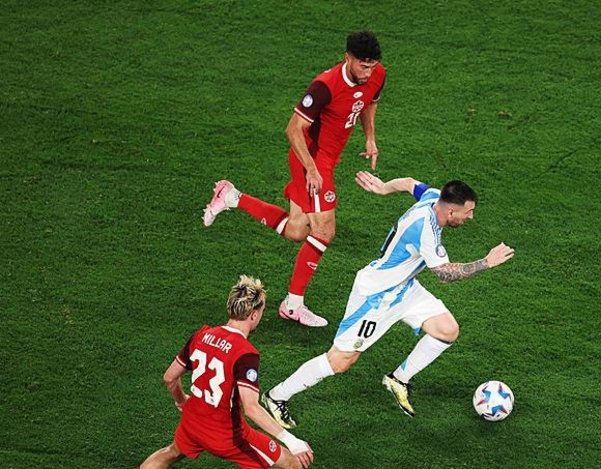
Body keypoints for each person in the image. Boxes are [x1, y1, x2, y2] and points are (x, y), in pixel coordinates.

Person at [259, 171, 515, 427]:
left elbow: (409, 183)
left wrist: (384, 188)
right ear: (451, 212)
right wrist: (486, 262)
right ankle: (276, 396)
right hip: (376, 296)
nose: (470, 217)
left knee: (446, 330)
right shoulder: (425, 229)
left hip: (404, 287)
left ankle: (398, 379)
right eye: (468, 212)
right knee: (340, 360)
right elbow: (445, 274)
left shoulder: (434, 196)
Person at [202, 31, 386, 328]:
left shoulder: (377, 75)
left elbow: (368, 103)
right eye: (363, 66)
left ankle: (232, 196)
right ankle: (293, 305)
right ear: (347, 58)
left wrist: (370, 138)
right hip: (311, 159)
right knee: (324, 231)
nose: (368, 73)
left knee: (298, 230)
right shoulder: (324, 86)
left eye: (372, 66)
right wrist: (311, 169)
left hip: (327, 158)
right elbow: (293, 129)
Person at [138, 276, 314, 469]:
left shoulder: (201, 336)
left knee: (170, 453)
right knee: (292, 462)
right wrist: (291, 440)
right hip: (227, 435)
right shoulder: (245, 354)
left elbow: (170, 377)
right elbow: (251, 408)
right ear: (253, 315)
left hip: (192, 423)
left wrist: (181, 401)